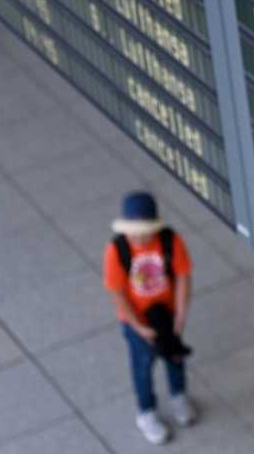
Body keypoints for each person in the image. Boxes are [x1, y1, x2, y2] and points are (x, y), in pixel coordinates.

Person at [103, 191, 196, 445]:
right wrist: (137, 326)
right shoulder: (117, 250)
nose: (140, 238)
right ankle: (146, 412)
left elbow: (183, 278)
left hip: (166, 315)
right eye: (135, 232)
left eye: (144, 232)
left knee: (174, 357)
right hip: (137, 320)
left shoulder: (170, 241)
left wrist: (180, 315)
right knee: (142, 366)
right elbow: (117, 292)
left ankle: (179, 397)